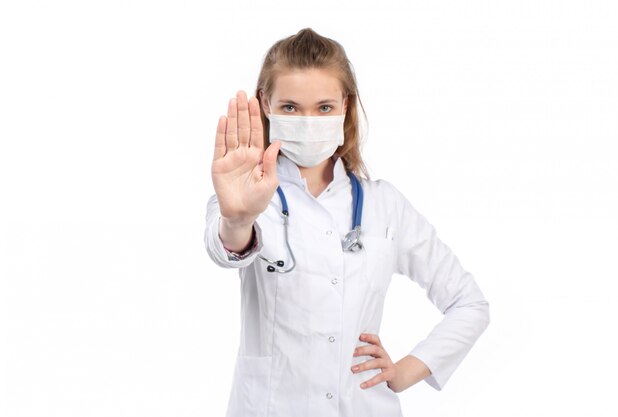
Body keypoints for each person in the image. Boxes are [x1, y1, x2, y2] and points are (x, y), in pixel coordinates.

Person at [204, 28, 490, 417]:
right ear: (265, 105)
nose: (308, 121)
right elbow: (228, 249)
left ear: (345, 107)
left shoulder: (383, 204)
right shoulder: (244, 196)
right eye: (290, 107)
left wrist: (408, 370)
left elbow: (469, 303)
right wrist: (237, 218)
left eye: (323, 108)